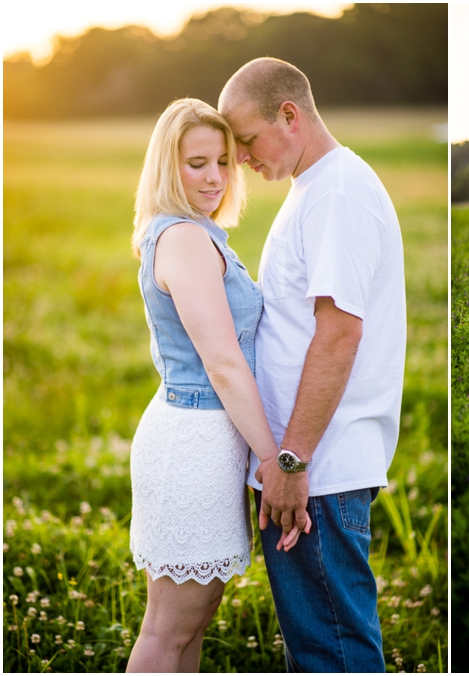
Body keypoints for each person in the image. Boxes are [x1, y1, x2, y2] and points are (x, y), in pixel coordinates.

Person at [218, 57, 407, 672]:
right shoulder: (316, 188)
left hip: (316, 474)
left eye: (246, 140)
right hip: (306, 470)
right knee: (317, 649)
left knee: (334, 653)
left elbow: (338, 335)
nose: (241, 158)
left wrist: (291, 462)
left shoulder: (339, 194)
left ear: (290, 116)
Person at [126, 98, 308, 672]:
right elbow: (224, 363)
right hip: (193, 441)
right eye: (197, 162)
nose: (214, 177)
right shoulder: (181, 239)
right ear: (167, 166)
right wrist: (274, 461)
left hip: (208, 438)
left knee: (194, 621)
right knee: (169, 628)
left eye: (225, 162)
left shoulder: (199, 233)